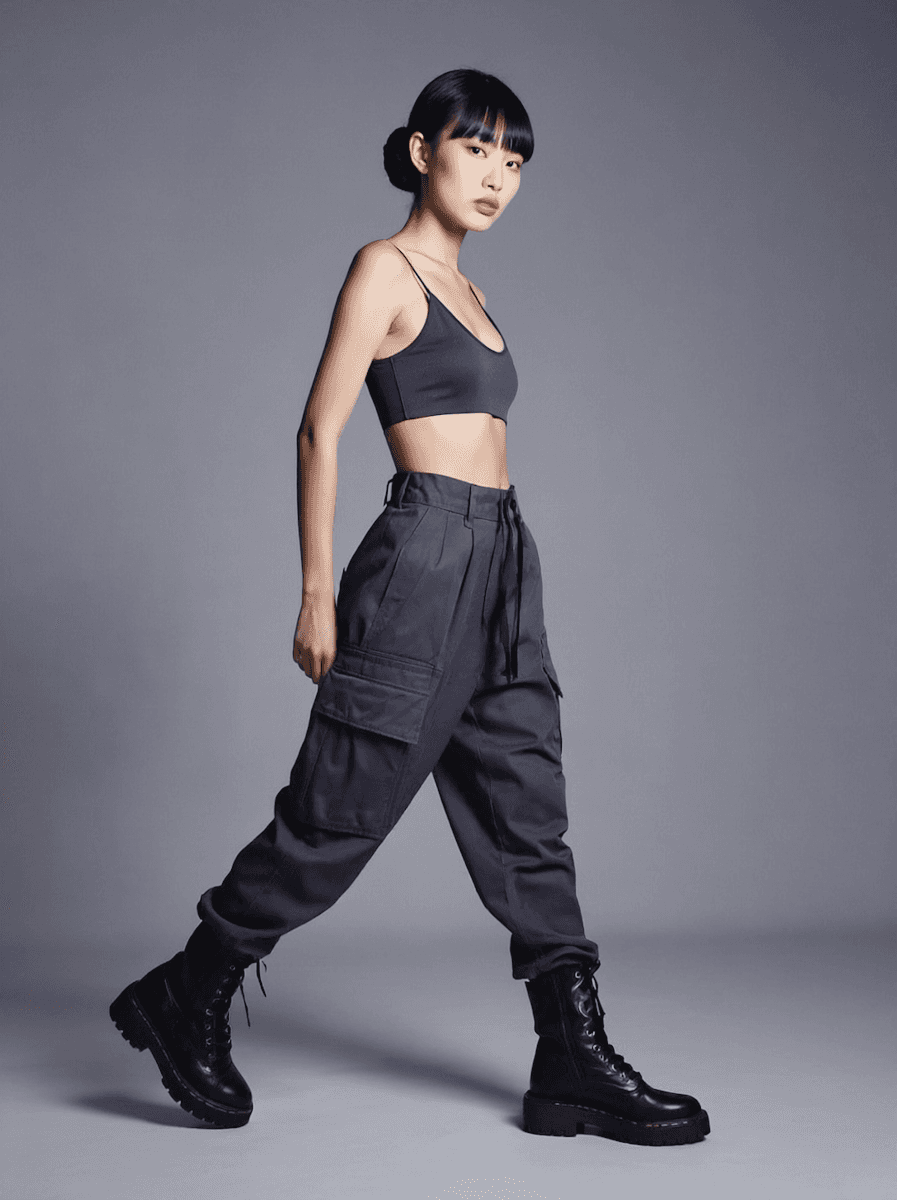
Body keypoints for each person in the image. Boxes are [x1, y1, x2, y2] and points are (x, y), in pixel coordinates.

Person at [110, 68, 710, 1147]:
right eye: (476, 147)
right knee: (343, 802)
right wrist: (314, 591)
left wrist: (500, 563)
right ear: (423, 149)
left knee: (528, 806)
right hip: (422, 559)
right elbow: (318, 428)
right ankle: (189, 986)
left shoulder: (473, 294)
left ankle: (570, 1058)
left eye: (514, 159)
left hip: (504, 560)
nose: (496, 175)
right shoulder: (383, 269)